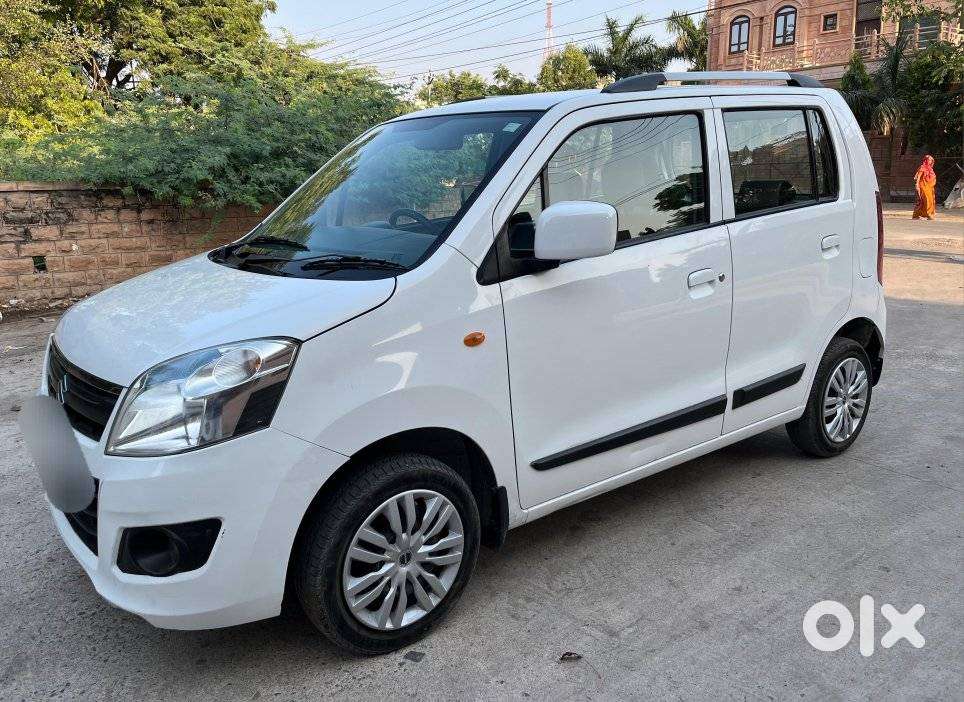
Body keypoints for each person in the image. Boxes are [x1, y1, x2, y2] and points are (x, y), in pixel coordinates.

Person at [912, 155, 937, 220]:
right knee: (925, 200)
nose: (930, 161)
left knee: (930, 200)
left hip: (929, 186)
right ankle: (925, 214)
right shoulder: (922, 167)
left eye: (931, 160)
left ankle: (926, 214)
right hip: (923, 185)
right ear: (926, 160)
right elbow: (919, 176)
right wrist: (917, 184)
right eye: (929, 160)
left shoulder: (930, 168)